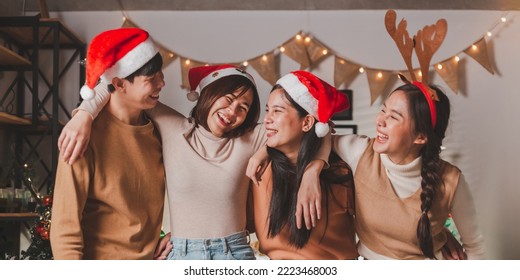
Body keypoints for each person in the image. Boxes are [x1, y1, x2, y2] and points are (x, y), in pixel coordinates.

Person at [58, 63, 329, 260]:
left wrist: (311, 172)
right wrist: (84, 114)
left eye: (243, 108)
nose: (232, 111)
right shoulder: (174, 127)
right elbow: (115, 86)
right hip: (181, 255)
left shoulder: (252, 138)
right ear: (210, 95)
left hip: (233, 254)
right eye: (229, 99)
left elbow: (323, 129)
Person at [330, 83, 486, 259]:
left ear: (420, 136)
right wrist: (311, 173)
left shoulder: (451, 180)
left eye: (394, 117)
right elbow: (319, 138)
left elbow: (474, 247)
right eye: (383, 110)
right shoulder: (360, 152)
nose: (380, 121)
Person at [50, 27, 166, 259]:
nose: (162, 83)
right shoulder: (82, 137)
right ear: (120, 84)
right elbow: (65, 228)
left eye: (160, 74)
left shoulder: (159, 130)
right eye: (151, 79)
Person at [249, 71, 358, 259]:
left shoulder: (342, 172)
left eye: (277, 111)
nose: (266, 119)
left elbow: (326, 130)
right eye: (268, 110)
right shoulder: (260, 170)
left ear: (307, 122)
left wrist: (313, 170)